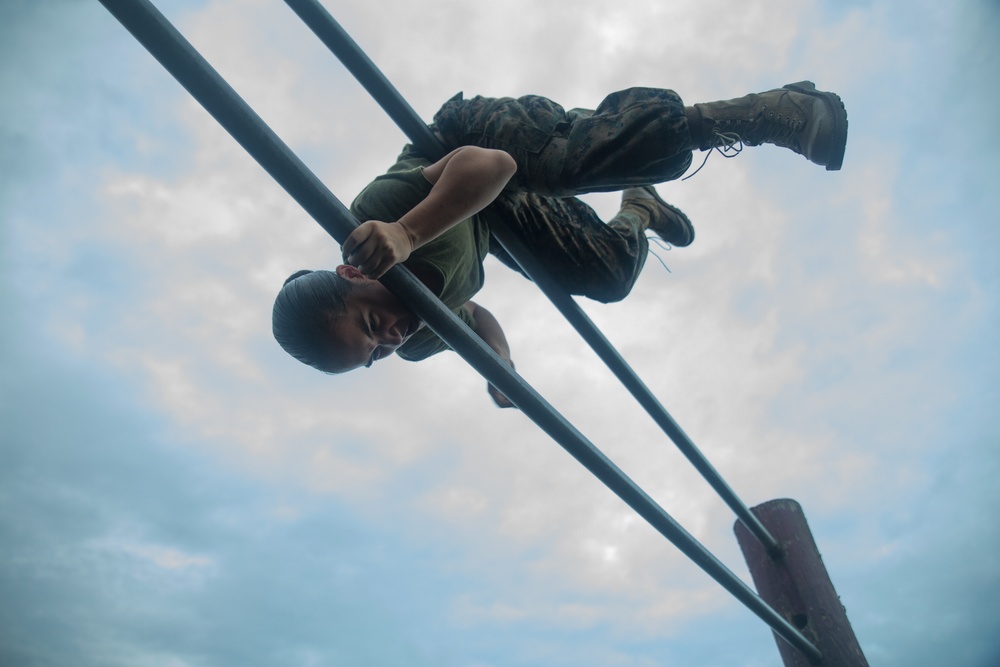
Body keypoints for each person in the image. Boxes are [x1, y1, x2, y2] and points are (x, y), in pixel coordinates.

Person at [272, 82, 848, 406]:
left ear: (351, 276)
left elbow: (490, 164)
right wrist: (502, 366)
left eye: (372, 327)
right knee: (606, 277)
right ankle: (640, 207)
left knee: (566, 159)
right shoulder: (422, 338)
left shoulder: (374, 220)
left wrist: (406, 233)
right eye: (376, 355)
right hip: (494, 219)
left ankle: (759, 114)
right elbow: (473, 312)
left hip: (464, 155)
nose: (392, 340)